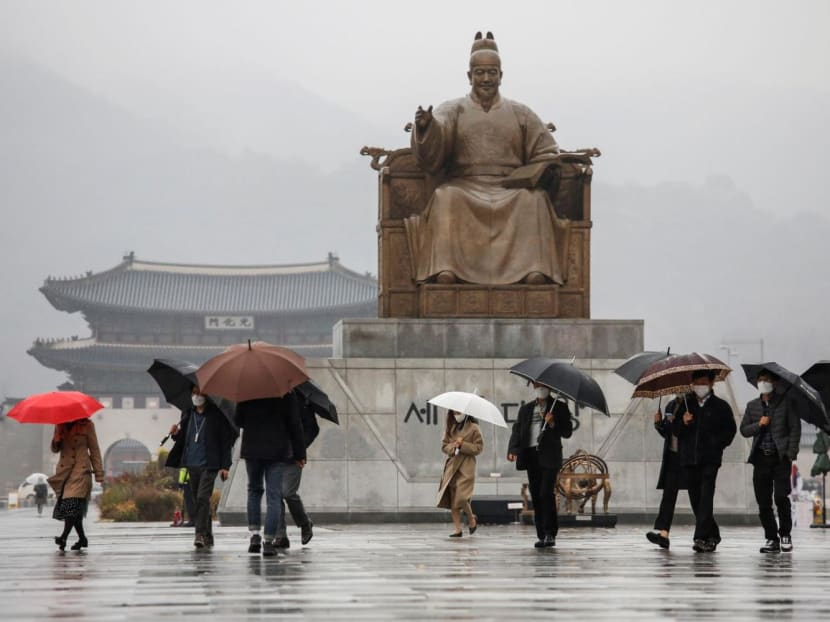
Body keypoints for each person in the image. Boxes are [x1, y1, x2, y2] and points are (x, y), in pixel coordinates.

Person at [404, 31, 570, 286]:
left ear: (501, 76)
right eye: (479, 73)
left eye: (492, 72)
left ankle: (534, 270)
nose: (486, 78)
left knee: (534, 200)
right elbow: (433, 146)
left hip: (510, 186)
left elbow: (546, 150)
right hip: (464, 185)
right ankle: (446, 269)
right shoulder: (452, 109)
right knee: (445, 197)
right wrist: (427, 127)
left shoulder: (520, 112)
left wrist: (543, 167)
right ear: (469, 76)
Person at [235, 392, 306, 557]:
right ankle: (268, 542)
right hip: (277, 450)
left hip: (252, 448)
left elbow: (238, 420)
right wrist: (300, 453)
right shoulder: (286, 393)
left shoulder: (248, 391)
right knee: (273, 496)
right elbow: (295, 424)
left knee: (254, 490)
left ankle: (254, 537)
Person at [673, 371, 737, 553]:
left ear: (711, 383)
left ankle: (700, 537)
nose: (699, 386)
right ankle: (713, 535)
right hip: (689, 460)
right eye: (696, 382)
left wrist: (716, 444)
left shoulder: (721, 406)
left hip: (710, 460)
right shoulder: (686, 405)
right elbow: (676, 431)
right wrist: (683, 422)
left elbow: (730, 431)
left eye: (703, 382)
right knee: (696, 500)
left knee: (706, 497)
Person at [166, 386, 235, 549]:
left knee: (202, 498)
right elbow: (183, 440)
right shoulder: (188, 414)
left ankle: (200, 534)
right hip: (192, 464)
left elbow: (225, 443)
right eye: (194, 393)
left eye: (200, 393)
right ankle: (208, 535)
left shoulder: (216, 416)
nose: (197, 396)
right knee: (200, 501)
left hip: (209, 465)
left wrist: (225, 466)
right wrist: (175, 433)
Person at [740, 369, 801, 553]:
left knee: (781, 497)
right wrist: (759, 424)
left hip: (780, 458)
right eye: (760, 380)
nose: (762, 383)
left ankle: (785, 534)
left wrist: (790, 453)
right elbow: (744, 430)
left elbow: (794, 429)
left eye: (766, 380)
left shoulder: (786, 403)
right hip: (761, 458)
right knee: (763, 501)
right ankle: (771, 537)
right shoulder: (752, 406)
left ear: (774, 383)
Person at [508, 383, 574, 548]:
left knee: (546, 493)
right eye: (537, 385)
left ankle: (550, 533)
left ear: (550, 388)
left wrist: (553, 423)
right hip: (531, 456)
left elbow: (567, 431)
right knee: (536, 495)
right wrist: (513, 449)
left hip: (550, 457)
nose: (540, 388)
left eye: (543, 385)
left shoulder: (558, 407)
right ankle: (542, 534)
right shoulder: (526, 409)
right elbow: (517, 430)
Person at [48, 417, 104, 551]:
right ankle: (82, 539)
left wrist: (98, 473)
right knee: (73, 509)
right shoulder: (59, 425)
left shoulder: (88, 426)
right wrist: (56, 440)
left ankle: (63, 537)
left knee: (72, 504)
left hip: (81, 471)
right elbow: (55, 449)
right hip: (65, 472)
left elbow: (94, 450)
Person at [275, 396, 319, 549]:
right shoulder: (268, 399)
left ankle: (305, 523)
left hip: (293, 457)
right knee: (275, 495)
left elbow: (313, 429)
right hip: (272, 455)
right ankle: (280, 536)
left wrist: (299, 448)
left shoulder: (301, 401)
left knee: (288, 493)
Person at [646, 395, 688, 549]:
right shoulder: (670, 405)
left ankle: (706, 533)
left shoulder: (693, 405)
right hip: (672, 457)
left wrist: (686, 422)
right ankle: (664, 534)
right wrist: (658, 423)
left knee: (698, 498)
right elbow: (668, 433)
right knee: (668, 495)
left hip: (690, 458)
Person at [437, 409, 483, 537]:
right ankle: (458, 529)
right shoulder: (451, 428)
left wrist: (463, 445)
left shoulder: (474, 428)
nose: (456, 415)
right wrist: (453, 446)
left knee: (461, 497)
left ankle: (471, 518)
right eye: (454, 413)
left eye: (459, 412)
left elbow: (478, 448)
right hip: (452, 466)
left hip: (466, 466)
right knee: (453, 499)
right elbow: (444, 446)